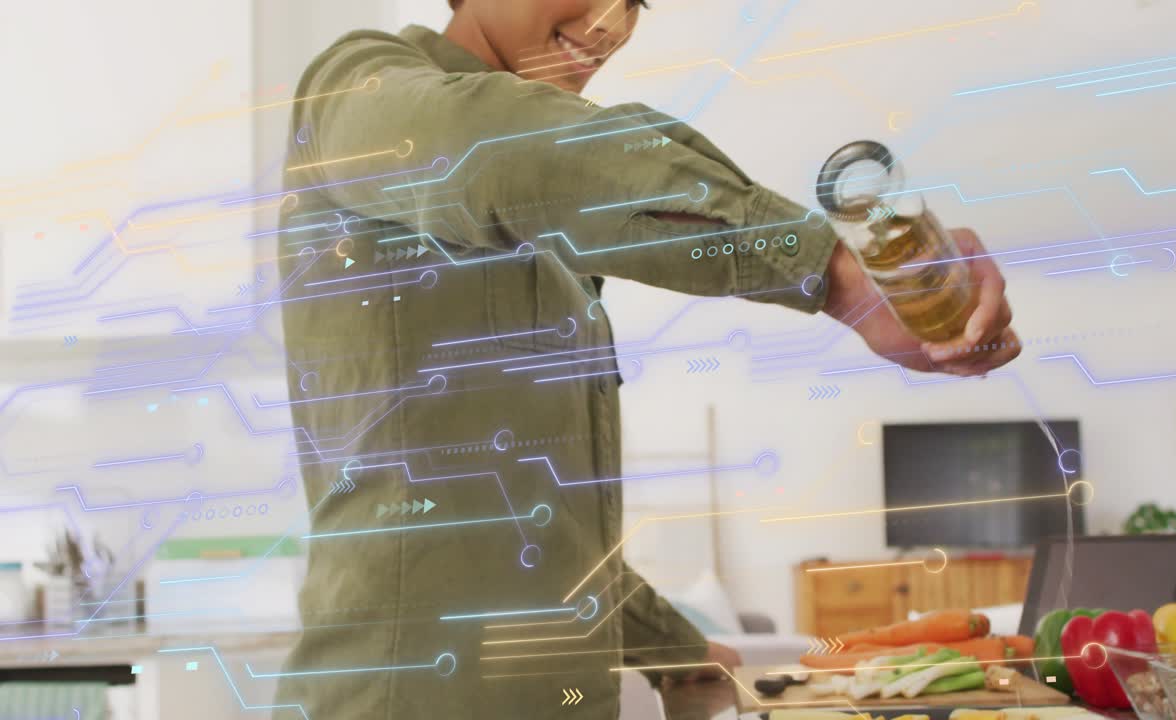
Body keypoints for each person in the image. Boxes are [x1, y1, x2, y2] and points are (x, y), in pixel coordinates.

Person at [272, 0, 1019, 717]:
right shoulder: (354, 87)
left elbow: (544, 534)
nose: (612, 24)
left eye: (636, 1)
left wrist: (677, 651)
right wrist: (832, 276)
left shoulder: (560, 262)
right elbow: (507, 147)